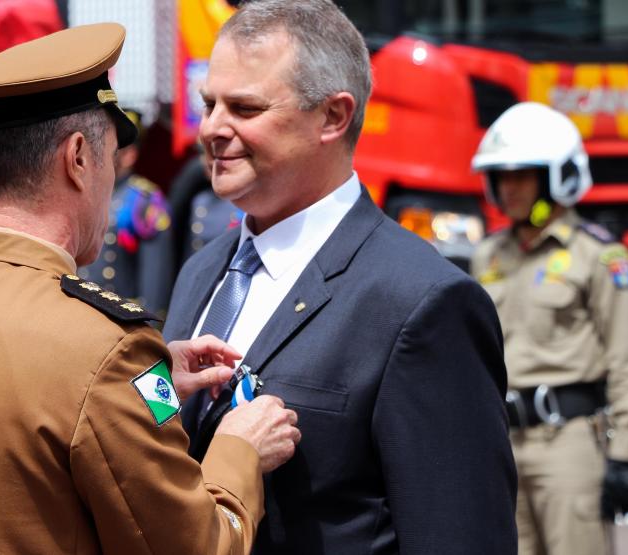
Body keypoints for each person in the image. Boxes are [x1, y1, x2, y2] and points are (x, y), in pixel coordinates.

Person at [0, 22, 301, 554]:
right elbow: (198, 546)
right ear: (78, 158)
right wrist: (239, 450)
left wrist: (148, 386)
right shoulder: (108, 353)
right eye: (107, 155)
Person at [161, 1, 517, 553]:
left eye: (244, 107)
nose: (212, 128)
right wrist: (151, 387)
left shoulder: (421, 300)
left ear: (333, 116)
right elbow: (164, 445)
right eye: (209, 103)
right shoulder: (203, 271)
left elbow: (460, 532)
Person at [470, 102, 628, 555]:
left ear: (556, 178)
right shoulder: (487, 257)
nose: (509, 188)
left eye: (522, 175)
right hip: (502, 443)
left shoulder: (599, 256)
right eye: (501, 176)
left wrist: (625, 455)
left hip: (567, 444)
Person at [78, 109, 173, 317]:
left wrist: (150, 326)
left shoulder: (145, 200)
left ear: (129, 156)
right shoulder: (83, 190)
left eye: (108, 149)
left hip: (122, 320)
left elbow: (155, 278)